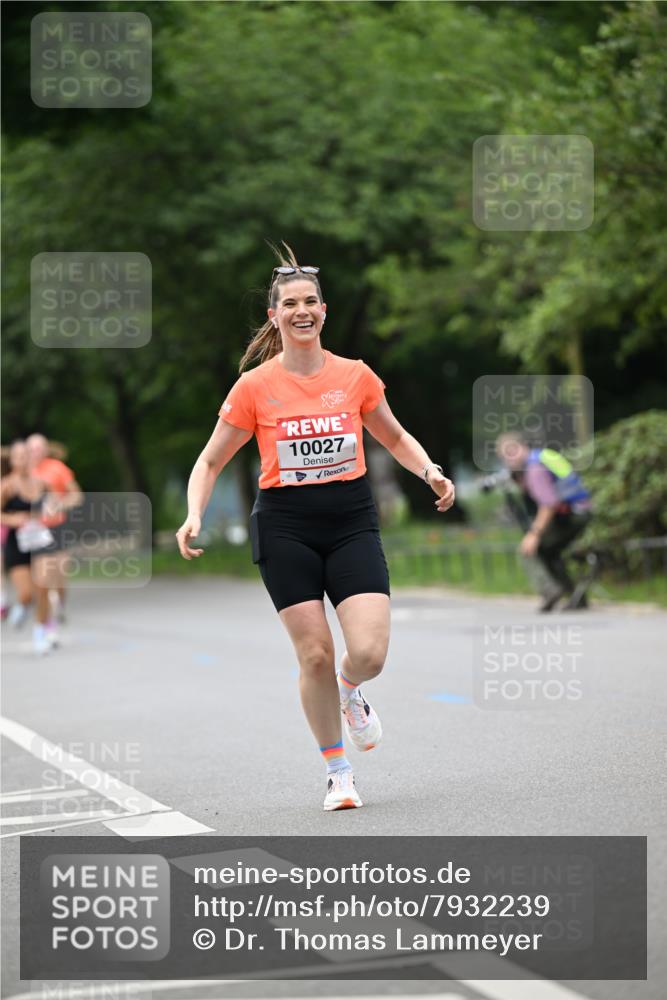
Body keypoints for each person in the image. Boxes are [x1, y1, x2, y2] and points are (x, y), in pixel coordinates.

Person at [177, 246, 455, 811]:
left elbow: (394, 436)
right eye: (290, 304)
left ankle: (351, 690)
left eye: (310, 302)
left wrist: (429, 470)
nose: (301, 311)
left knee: (368, 653)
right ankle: (338, 772)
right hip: (285, 526)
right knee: (315, 657)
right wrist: (194, 513)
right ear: (275, 316)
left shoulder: (354, 376)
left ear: (324, 311)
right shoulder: (253, 387)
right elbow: (210, 461)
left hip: (350, 520)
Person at [495, 432, 592, 611]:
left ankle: (550, 591)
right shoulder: (541, 457)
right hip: (580, 510)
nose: (510, 458)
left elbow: (548, 504)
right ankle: (575, 597)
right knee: (549, 551)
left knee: (529, 550)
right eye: (505, 456)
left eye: (512, 451)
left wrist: (534, 535)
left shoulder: (534, 469)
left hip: (571, 515)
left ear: (523, 446)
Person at [26, 433, 83, 637]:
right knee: (43, 579)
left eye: (39, 448)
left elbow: (76, 496)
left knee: (59, 578)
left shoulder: (57, 468)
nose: (35, 452)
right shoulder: (22, 470)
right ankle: (47, 624)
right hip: (34, 530)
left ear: (46, 449)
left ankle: (59, 604)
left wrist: (60, 504)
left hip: (57, 527)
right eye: (32, 448)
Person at [0, 440, 54, 654]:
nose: (23, 460)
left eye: (26, 456)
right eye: (19, 457)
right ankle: (22, 606)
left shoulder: (41, 484)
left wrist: (50, 509)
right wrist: (12, 519)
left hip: (39, 541)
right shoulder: (7, 485)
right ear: (13, 460)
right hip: (17, 544)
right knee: (26, 594)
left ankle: (40, 633)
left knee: (44, 587)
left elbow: (52, 504)